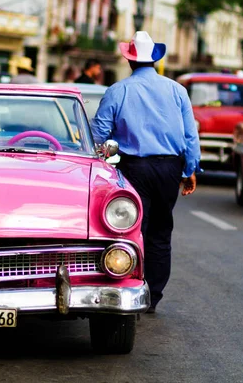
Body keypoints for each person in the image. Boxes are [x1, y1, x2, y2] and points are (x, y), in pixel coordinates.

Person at [91, 31, 200, 314]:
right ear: (154, 59)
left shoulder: (118, 90)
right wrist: (189, 170)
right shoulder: (177, 90)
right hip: (169, 168)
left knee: (133, 228)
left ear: (129, 60)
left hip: (134, 168)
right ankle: (154, 295)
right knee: (161, 232)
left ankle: (131, 287)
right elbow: (190, 135)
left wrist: (99, 161)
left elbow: (98, 134)